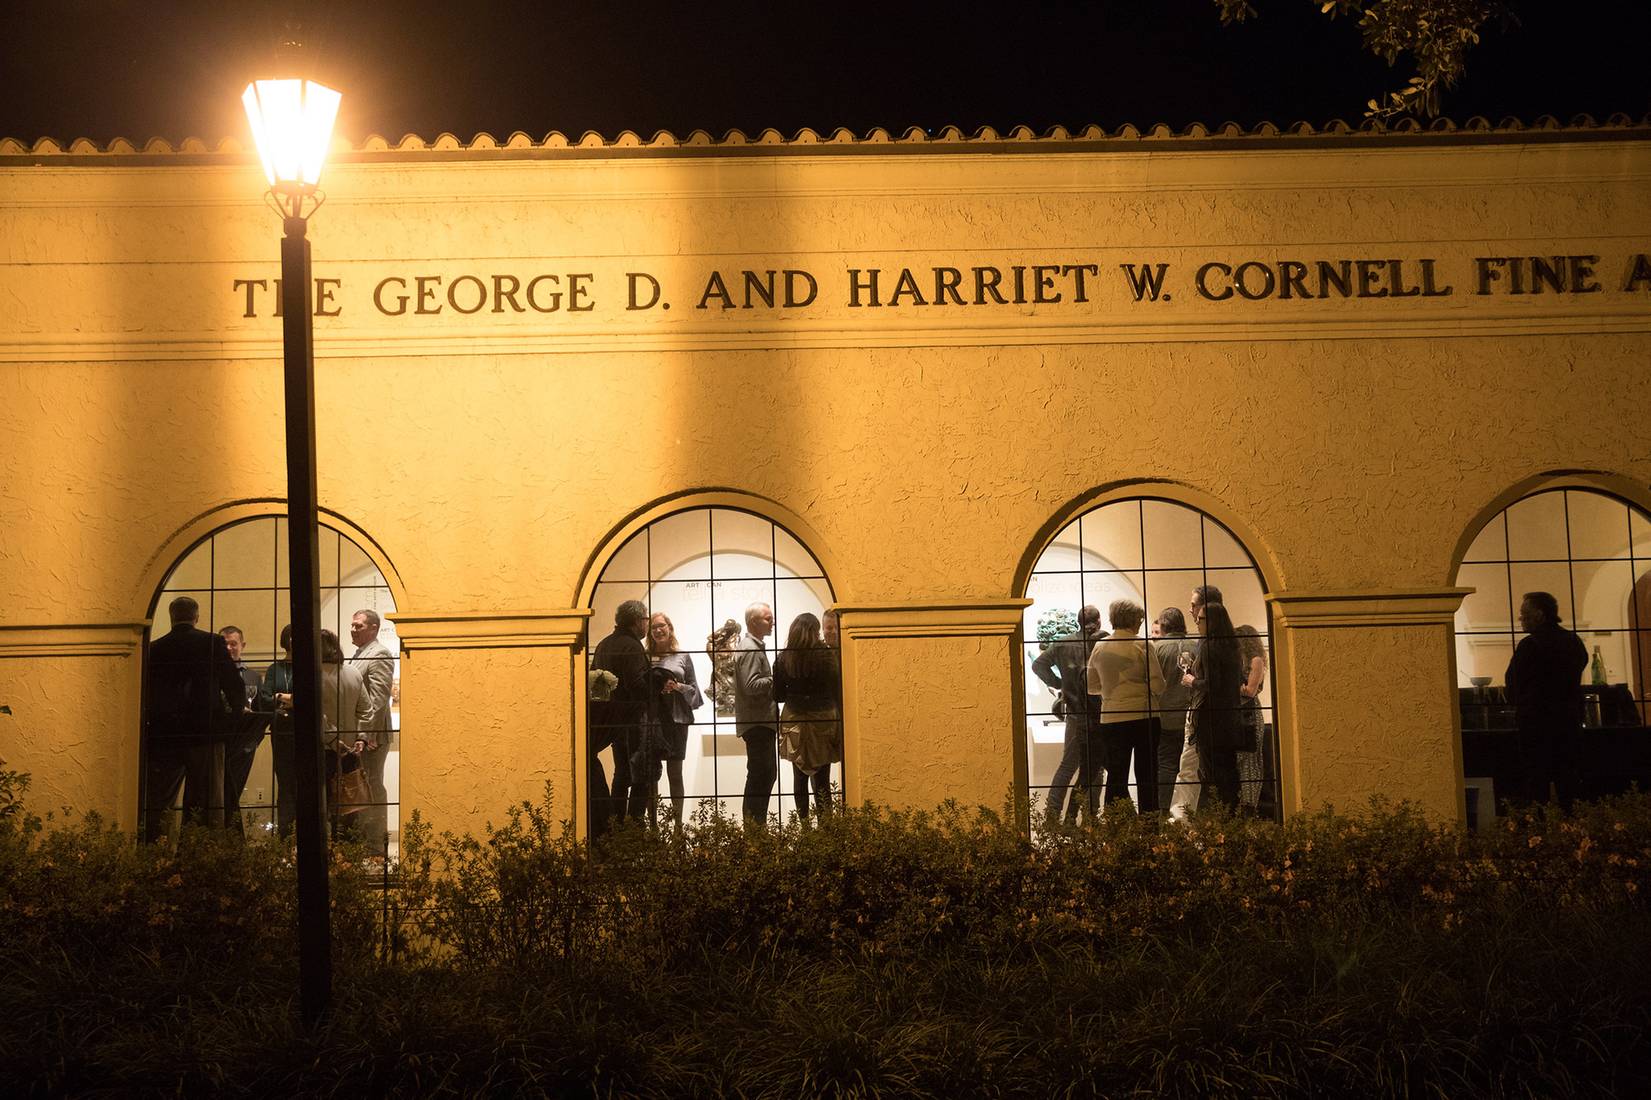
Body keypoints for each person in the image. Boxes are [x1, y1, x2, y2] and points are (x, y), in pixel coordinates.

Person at [142, 596, 247, 841]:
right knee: (204, 803)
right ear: (196, 617)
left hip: (165, 733)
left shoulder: (155, 648)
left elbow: (146, 691)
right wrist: (231, 722)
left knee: (161, 802)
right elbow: (234, 685)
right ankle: (197, 854)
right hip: (205, 732)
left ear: (171, 618)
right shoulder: (210, 642)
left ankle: (156, 852)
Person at [1504, 591, 1588, 807]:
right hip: (1569, 722)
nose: (1520, 619)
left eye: (1524, 614)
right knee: (1568, 781)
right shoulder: (1573, 641)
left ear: (1539, 615)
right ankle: (1575, 829)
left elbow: (1512, 684)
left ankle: (1539, 831)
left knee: (1536, 782)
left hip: (1535, 725)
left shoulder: (1529, 646)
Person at [1085, 600, 1164, 814]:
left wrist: (1112, 690)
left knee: (1116, 776)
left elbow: (1092, 687)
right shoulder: (1143, 645)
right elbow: (1158, 685)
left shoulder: (1100, 647)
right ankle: (1149, 828)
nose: (1140, 623)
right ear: (1131, 620)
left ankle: (1117, 827)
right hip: (1144, 716)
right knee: (1147, 776)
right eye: (1139, 619)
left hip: (1112, 718)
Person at [1030, 604, 1104, 826]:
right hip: (1098, 711)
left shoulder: (1062, 644)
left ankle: (1053, 817)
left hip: (1075, 711)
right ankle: (1089, 818)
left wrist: (1060, 684)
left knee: (1070, 766)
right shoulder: (1101, 643)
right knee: (1095, 768)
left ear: (1078, 622)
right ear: (1098, 621)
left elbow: (1038, 665)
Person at [589, 599, 652, 835]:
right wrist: (654, 692)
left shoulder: (605, 644)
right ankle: (634, 831)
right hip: (632, 719)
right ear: (637, 621)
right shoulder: (633, 646)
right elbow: (637, 683)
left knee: (621, 773)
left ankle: (614, 827)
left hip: (611, 721)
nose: (646, 624)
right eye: (645, 619)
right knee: (639, 775)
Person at [774, 612, 842, 819]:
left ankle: (803, 827)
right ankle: (827, 829)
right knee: (823, 779)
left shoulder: (785, 657)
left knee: (799, 777)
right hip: (823, 720)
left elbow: (777, 695)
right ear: (815, 631)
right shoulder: (826, 655)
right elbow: (836, 689)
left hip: (795, 720)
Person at [1183, 601, 1246, 811]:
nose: (1197, 622)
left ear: (1211, 622)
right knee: (1228, 771)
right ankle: (1232, 816)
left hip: (1211, 719)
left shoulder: (1210, 647)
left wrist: (1192, 681)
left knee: (1211, 774)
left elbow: (1212, 684)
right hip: (1230, 718)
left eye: (1201, 619)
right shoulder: (1232, 646)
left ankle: (1215, 820)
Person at [1168, 585, 1224, 820]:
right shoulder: (1208, 640)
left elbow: (1216, 682)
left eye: (1194, 605)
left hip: (1204, 714)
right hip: (1202, 713)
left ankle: (1182, 819)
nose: (1190, 610)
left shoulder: (1214, 642)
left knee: (1190, 768)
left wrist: (1193, 680)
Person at [645, 611, 703, 826]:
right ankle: (653, 826)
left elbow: (696, 694)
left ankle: (678, 825)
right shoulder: (645, 657)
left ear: (670, 628)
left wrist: (677, 686)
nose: (658, 630)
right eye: (653, 627)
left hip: (678, 721)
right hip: (653, 721)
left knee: (675, 773)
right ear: (649, 632)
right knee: (651, 775)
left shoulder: (683, 656)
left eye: (662, 625)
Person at [349, 609, 396, 849]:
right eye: (353, 625)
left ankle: (376, 847)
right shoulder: (361, 653)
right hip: (362, 734)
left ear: (374, 628)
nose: (353, 629)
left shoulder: (379, 653)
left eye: (359, 626)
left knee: (372, 786)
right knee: (362, 787)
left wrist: (366, 736)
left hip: (372, 736)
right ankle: (365, 844)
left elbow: (378, 701)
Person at [319, 629, 372, 832]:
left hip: (323, 749)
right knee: (350, 807)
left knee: (321, 807)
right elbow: (366, 711)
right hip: (350, 750)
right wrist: (361, 738)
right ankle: (348, 857)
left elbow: (316, 714)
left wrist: (333, 740)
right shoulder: (353, 672)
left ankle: (325, 857)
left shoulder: (312, 675)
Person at [219, 625, 269, 833]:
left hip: (244, 746)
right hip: (221, 741)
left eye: (234, 644)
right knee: (222, 792)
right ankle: (231, 838)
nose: (230, 648)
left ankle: (229, 838)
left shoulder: (253, 677)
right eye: (225, 644)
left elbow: (260, 713)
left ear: (243, 646)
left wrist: (253, 743)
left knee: (233, 791)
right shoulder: (214, 674)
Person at [735, 601, 779, 824]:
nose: (772, 622)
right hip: (758, 723)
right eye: (767, 619)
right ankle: (754, 831)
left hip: (758, 722)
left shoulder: (751, 646)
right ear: (753, 622)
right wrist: (776, 678)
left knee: (763, 775)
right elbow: (751, 686)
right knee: (762, 776)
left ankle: (755, 829)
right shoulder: (751, 649)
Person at [1151, 608, 1198, 810]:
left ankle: (1164, 812)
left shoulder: (1158, 648)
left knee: (1166, 766)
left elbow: (1151, 682)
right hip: (1191, 717)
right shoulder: (1195, 648)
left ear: (1163, 625)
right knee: (1190, 769)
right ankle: (1187, 811)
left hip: (1165, 717)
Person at [257, 625, 298, 835]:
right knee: (284, 781)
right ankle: (284, 834)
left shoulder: (310, 666)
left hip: (303, 731)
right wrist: (286, 697)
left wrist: (279, 697)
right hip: (281, 732)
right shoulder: (275, 668)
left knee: (304, 782)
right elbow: (264, 697)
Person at [1235, 625, 1269, 813]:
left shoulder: (1256, 661)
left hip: (1249, 714)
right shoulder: (1242, 660)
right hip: (1239, 712)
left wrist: (1229, 685)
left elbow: (1250, 690)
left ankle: (1249, 804)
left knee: (1249, 760)